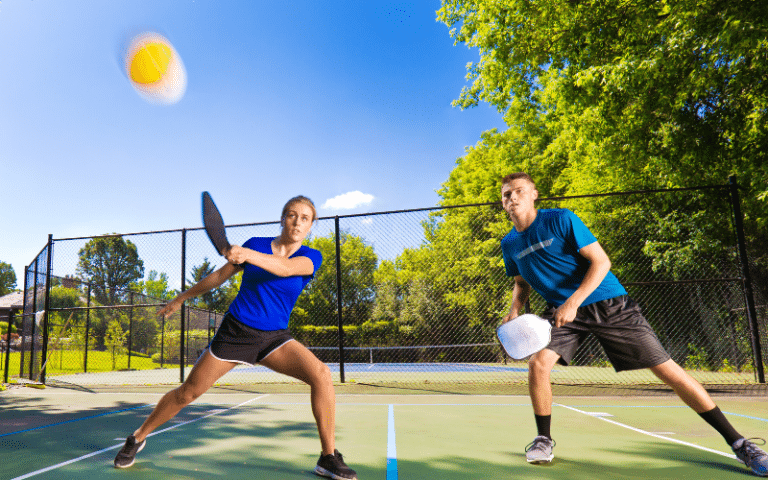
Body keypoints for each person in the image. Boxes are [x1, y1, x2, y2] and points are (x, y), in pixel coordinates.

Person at [499, 172, 767, 477]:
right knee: (538, 364)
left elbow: (601, 262)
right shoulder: (509, 243)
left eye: (519, 191)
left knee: (667, 371)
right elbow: (521, 282)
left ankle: (740, 444)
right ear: (503, 203)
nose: (513, 197)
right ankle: (543, 440)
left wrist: (574, 302)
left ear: (534, 195)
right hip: (561, 311)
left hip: (607, 302)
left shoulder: (561, 219)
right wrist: (515, 308)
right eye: (507, 194)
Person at [114, 195, 357, 480]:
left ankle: (328, 457)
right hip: (236, 332)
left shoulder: (311, 257)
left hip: (275, 339)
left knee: (322, 374)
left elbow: (286, 269)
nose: (297, 222)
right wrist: (182, 297)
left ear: (311, 225)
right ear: (282, 219)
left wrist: (246, 255)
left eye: (305, 218)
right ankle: (137, 437)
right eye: (292, 215)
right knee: (188, 392)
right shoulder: (255, 244)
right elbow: (219, 276)